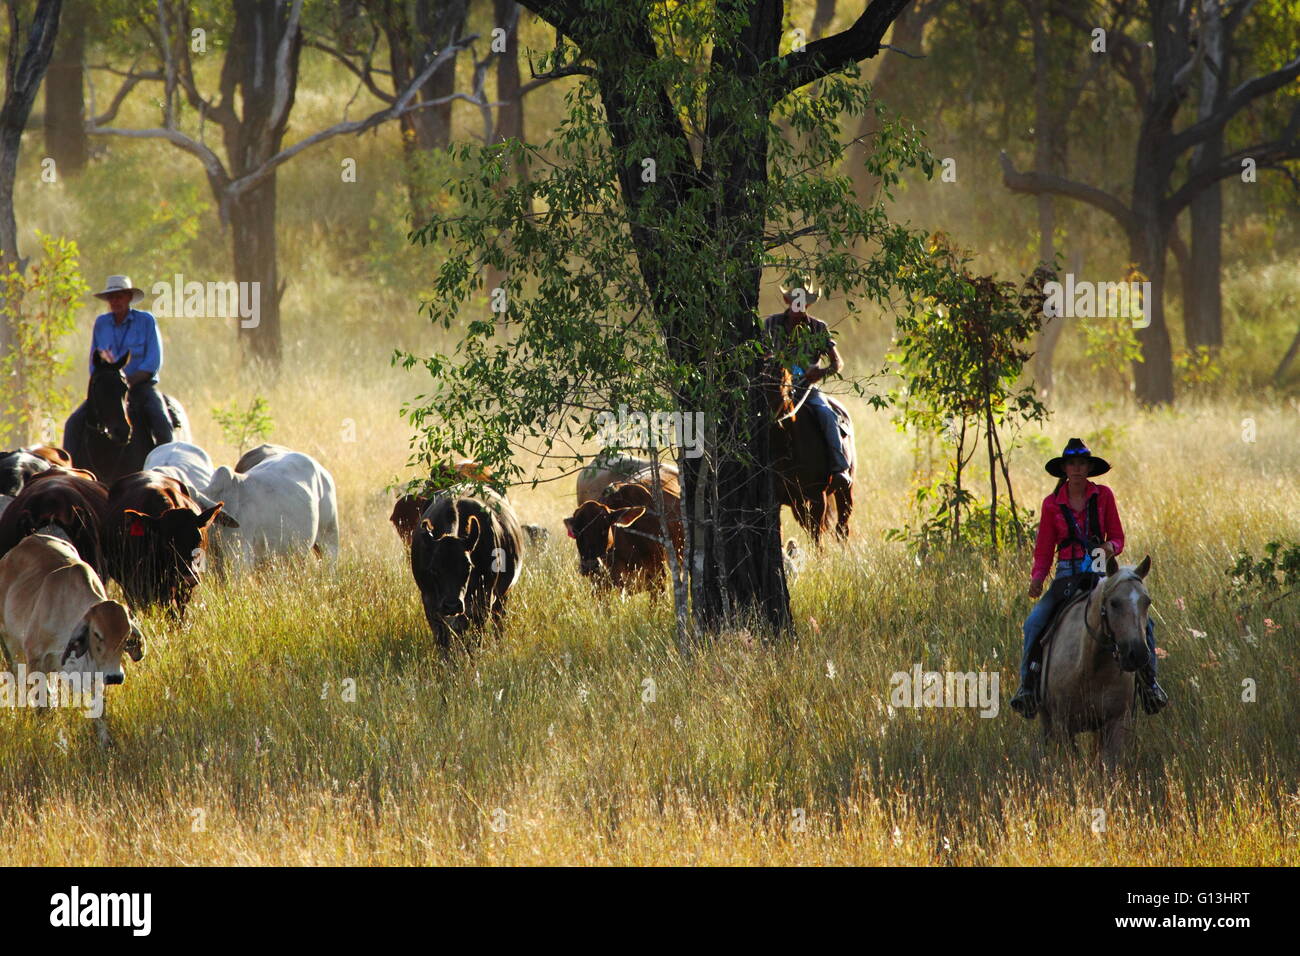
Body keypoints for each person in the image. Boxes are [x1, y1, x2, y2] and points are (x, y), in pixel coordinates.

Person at [1010, 438, 1168, 718]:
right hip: (1067, 574)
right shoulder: (1051, 504)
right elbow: (1044, 549)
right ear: (1064, 469)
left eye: (1082, 463)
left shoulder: (1103, 496)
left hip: (1100, 574)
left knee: (1145, 620)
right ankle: (1028, 688)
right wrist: (1037, 578)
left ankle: (1149, 685)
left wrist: (1109, 548)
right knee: (1034, 623)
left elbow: (1118, 537)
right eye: (1072, 463)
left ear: (1089, 467)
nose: (1077, 468)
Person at [763, 278, 851, 492]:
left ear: (808, 304)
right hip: (774, 388)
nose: (798, 306)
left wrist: (819, 373)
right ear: (788, 301)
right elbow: (760, 353)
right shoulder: (771, 324)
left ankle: (840, 468)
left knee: (826, 415)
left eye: (802, 302)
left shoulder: (818, 327)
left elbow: (837, 362)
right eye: (795, 301)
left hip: (806, 388)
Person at [64, 275, 173, 449]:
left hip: (141, 386)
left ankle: (166, 461)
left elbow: (152, 361)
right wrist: (107, 383)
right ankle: (70, 469)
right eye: (111, 297)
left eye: (119, 296)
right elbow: (95, 362)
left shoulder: (146, 321)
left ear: (129, 297)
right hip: (109, 389)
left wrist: (127, 382)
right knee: (73, 424)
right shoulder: (101, 323)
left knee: (160, 421)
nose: (115, 301)